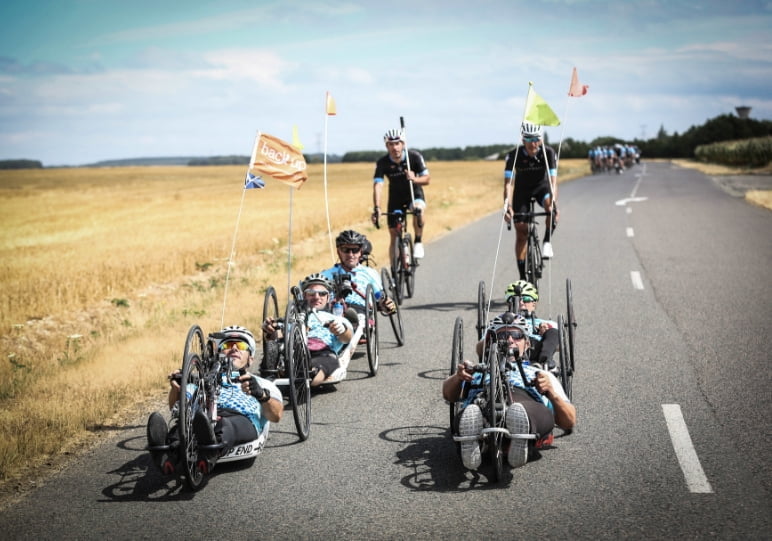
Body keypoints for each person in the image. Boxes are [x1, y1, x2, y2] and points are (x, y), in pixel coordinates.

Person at [442, 312, 576, 471]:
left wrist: (551, 393)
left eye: (516, 335)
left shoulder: (540, 373)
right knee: (470, 411)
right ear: (492, 342)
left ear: (527, 344)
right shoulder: (477, 371)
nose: (510, 340)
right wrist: (458, 378)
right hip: (482, 401)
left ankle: (519, 429)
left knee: (523, 409)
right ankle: (475, 437)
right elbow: (448, 395)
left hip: (525, 400)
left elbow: (569, 421)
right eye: (503, 335)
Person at [146, 325, 283, 475]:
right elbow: (176, 408)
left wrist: (262, 395)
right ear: (218, 354)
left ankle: (209, 453)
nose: (234, 348)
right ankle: (166, 455)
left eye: (242, 345)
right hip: (200, 416)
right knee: (183, 424)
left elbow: (276, 416)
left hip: (240, 418)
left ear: (250, 359)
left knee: (225, 425)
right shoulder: (203, 380)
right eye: (228, 345)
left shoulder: (262, 383)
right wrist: (178, 387)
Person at [262, 273, 353, 386]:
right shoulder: (293, 317)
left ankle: (306, 377)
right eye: (311, 293)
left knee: (323, 363)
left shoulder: (334, 318)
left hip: (322, 353)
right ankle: (267, 380)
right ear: (304, 296)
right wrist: (270, 329)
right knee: (272, 345)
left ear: (328, 297)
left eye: (322, 294)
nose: (316, 297)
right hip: (292, 350)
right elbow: (279, 335)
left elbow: (348, 338)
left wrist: (341, 330)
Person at [503, 122, 559, 279]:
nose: (533, 143)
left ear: (541, 139)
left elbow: (553, 182)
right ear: (523, 140)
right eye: (529, 139)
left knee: (551, 208)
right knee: (521, 231)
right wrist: (507, 205)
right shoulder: (513, 156)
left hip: (542, 188)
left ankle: (547, 241)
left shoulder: (548, 153)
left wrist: (554, 203)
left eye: (536, 139)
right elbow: (508, 184)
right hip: (522, 191)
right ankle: (523, 278)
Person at [371, 128, 431, 260]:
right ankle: (395, 276)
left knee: (418, 210)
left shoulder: (414, 157)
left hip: (413, 193)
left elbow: (427, 179)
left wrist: (414, 179)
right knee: (394, 235)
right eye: (391, 144)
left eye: (397, 143)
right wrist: (377, 207)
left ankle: (418, 241)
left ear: (403, 144)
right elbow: (378, 185)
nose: (395, 147)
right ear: (387, 146)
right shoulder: (383, 162)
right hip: (395, 198)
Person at [320, 229, 396, 323]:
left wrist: (385, 303)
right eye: (345, 250)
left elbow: (378, 295)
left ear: (360, 252)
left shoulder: (370, 273)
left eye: (355, 250)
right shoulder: (327, 274)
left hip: (361, 311)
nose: (350, 254)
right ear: (339, 251)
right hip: (333, 310)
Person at [504, 280, 559, 370]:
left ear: (534, 304)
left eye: (526, 299)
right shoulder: (499, 321)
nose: (521, 303)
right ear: (508, 304)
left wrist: (545, 331)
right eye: (514, 299)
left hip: (534, 349)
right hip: (507, 348)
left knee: (553, 332)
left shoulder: (546, 323)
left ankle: (544, 363)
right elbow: (480, 348)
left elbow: (561, 345)